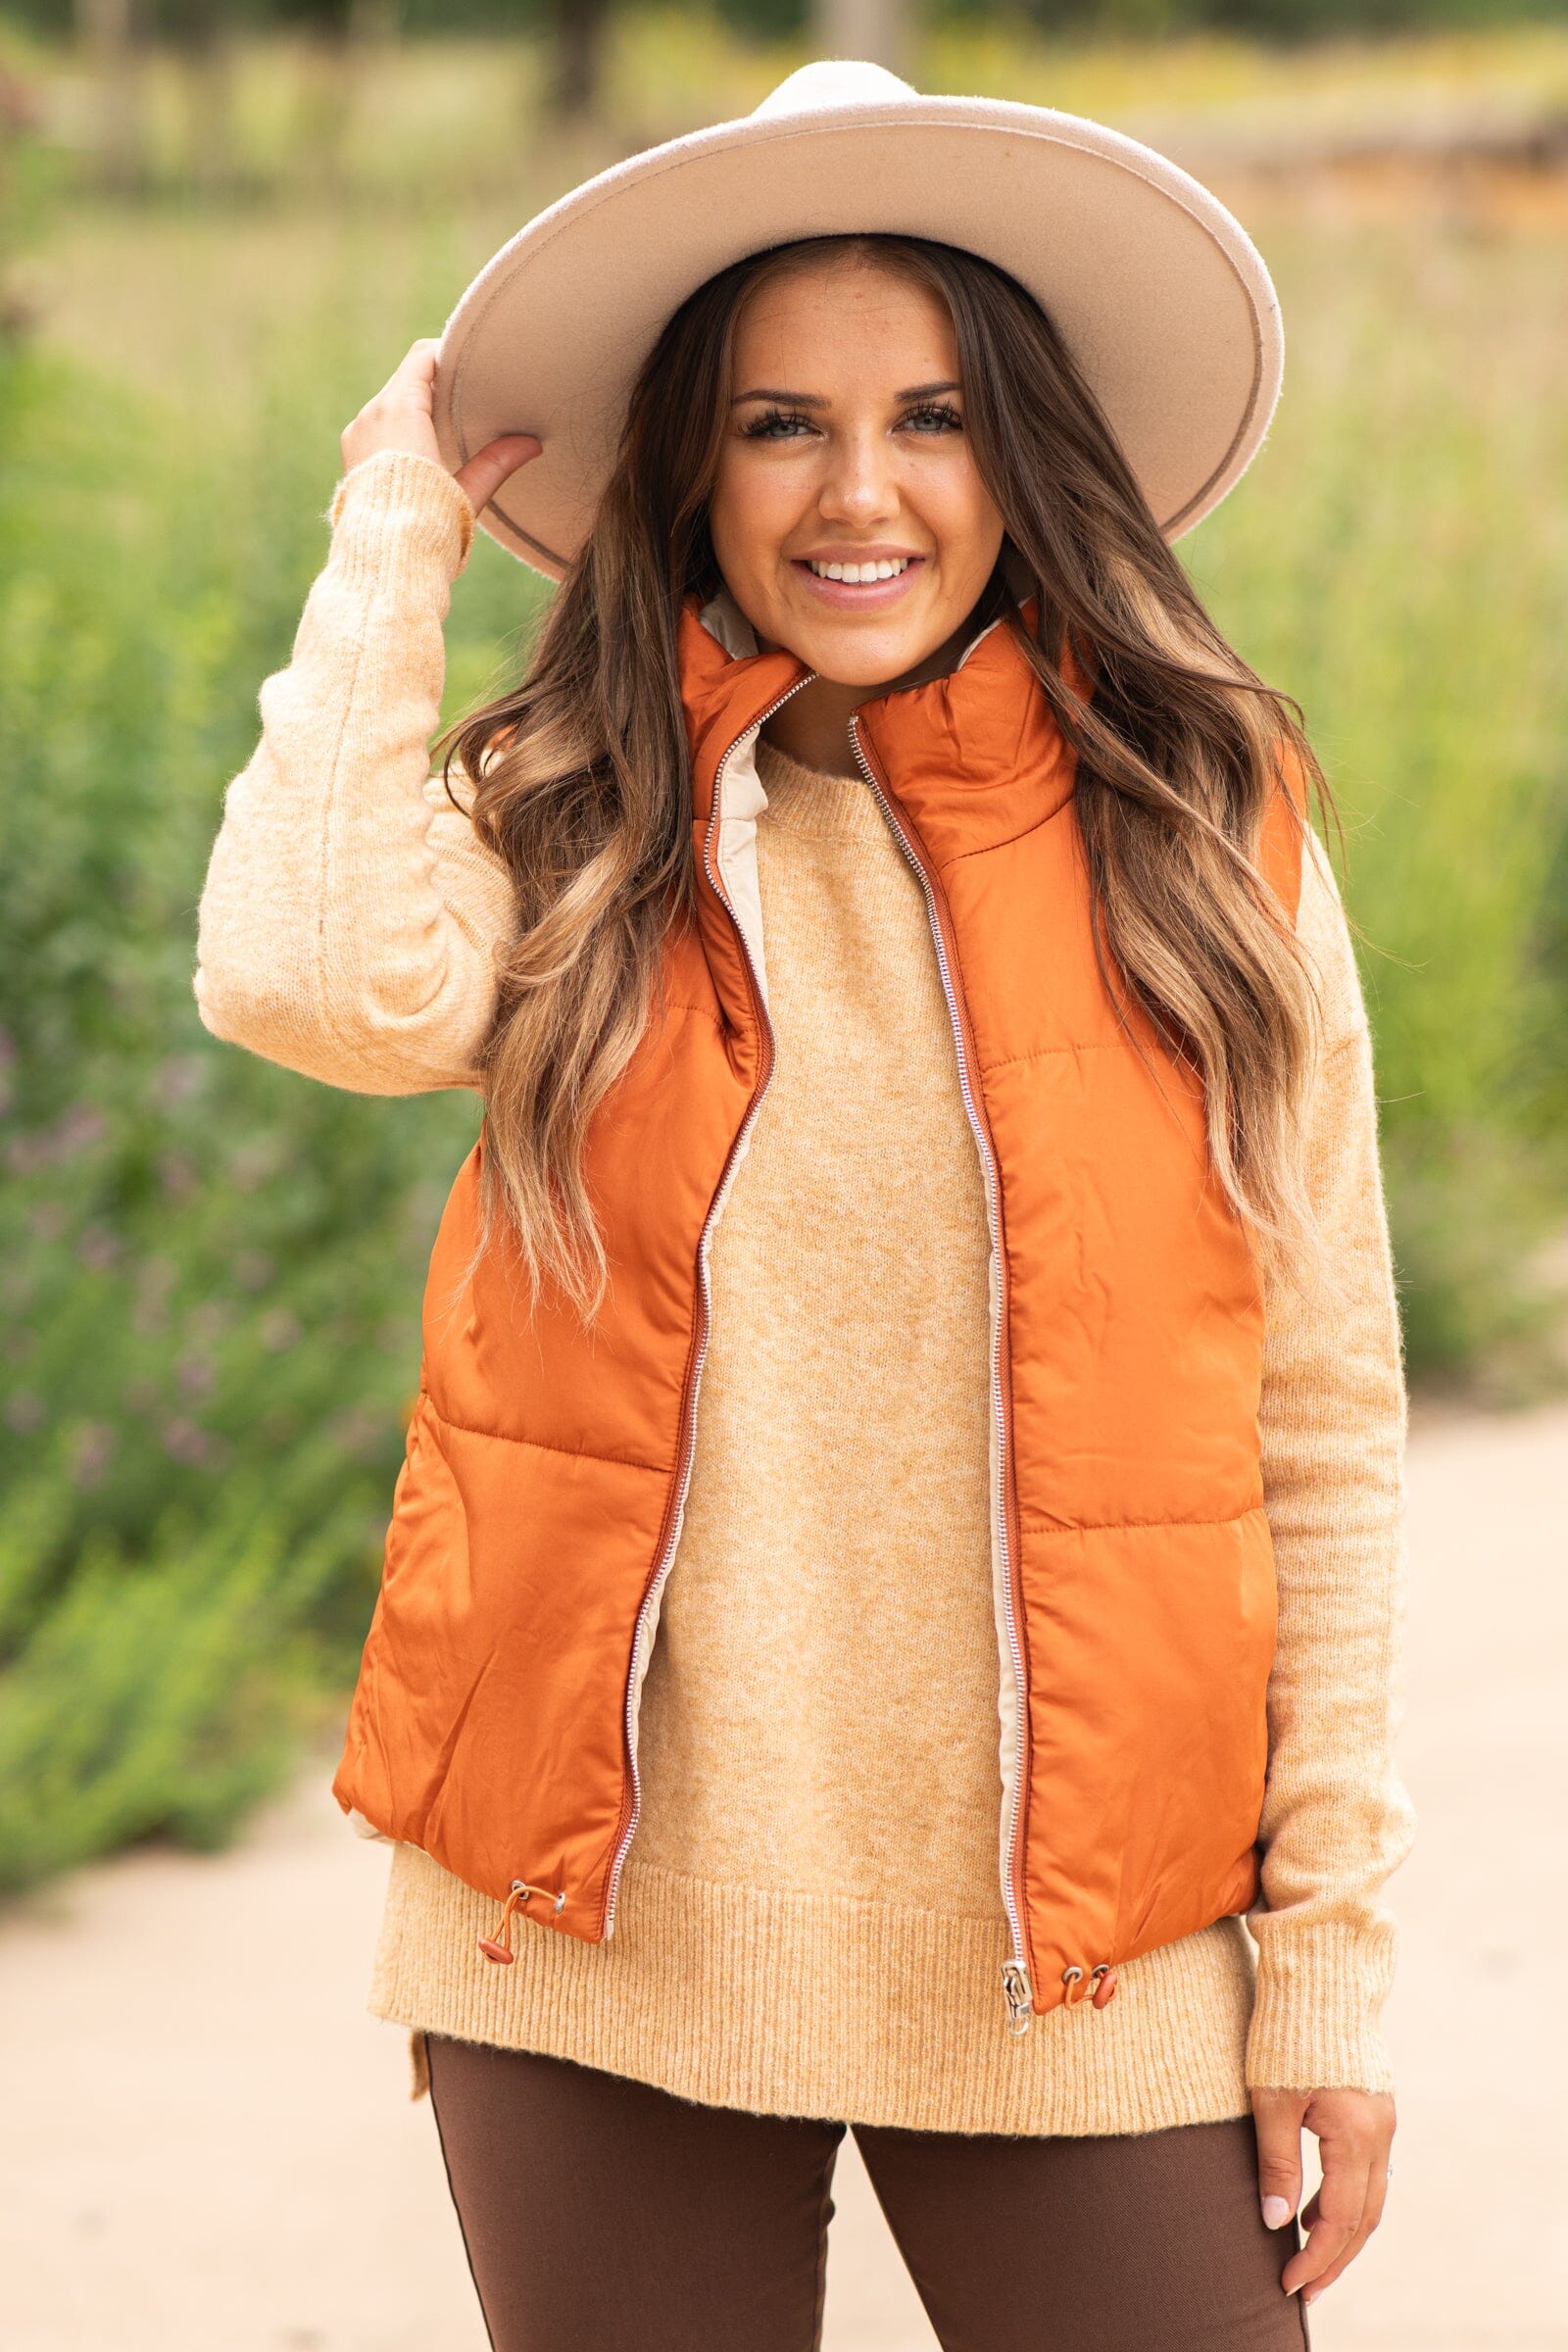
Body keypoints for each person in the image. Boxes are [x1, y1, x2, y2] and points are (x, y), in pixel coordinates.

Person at [193, 60, 1413, 2352]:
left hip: (1086, 1946)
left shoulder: (1201, 822)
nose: (859, 493)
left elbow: (1324, 1413)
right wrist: (393, 536)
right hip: (591, 1934)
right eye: (775, 425)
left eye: (931, 417)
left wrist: (1322, 1968)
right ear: (694, 471)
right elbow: (293, 969)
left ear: (1020, 456)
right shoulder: (590, 820)